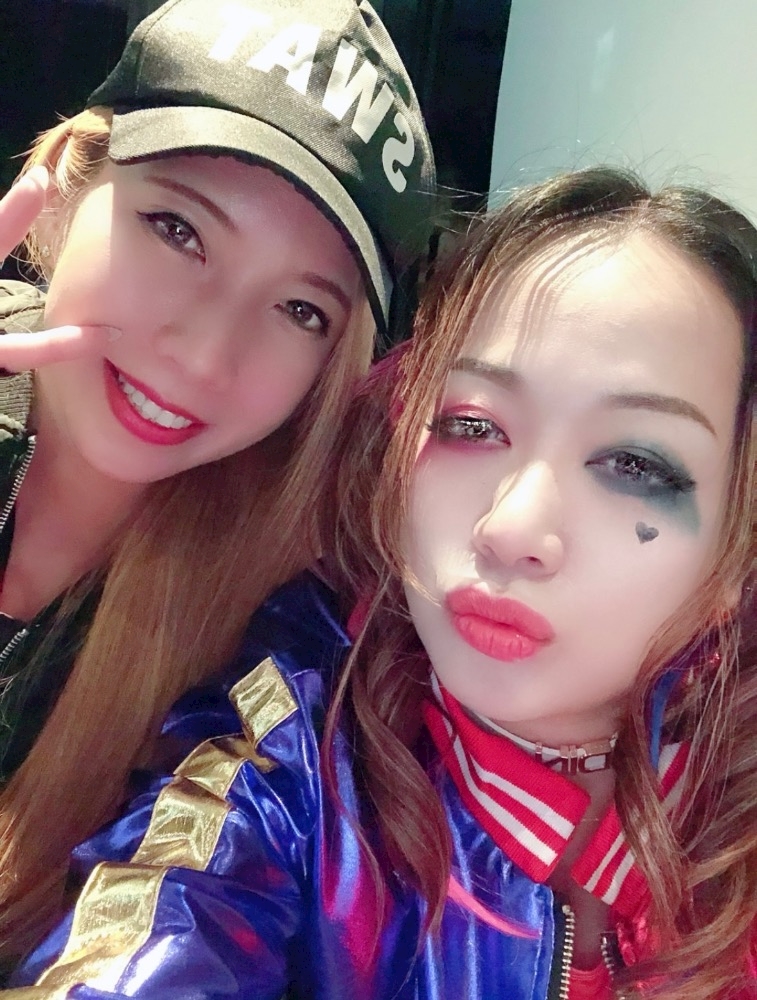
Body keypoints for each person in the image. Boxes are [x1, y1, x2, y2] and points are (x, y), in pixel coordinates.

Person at [10, 167, 756, 1000]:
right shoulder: (298, 752)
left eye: (634, 465)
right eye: (471, 425)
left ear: (738, 544)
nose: (511, 529)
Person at [0, 0, 435, 970]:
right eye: (178, 229)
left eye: (300, 309)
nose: (202, 356)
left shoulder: (277, 659)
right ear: (67, 186)